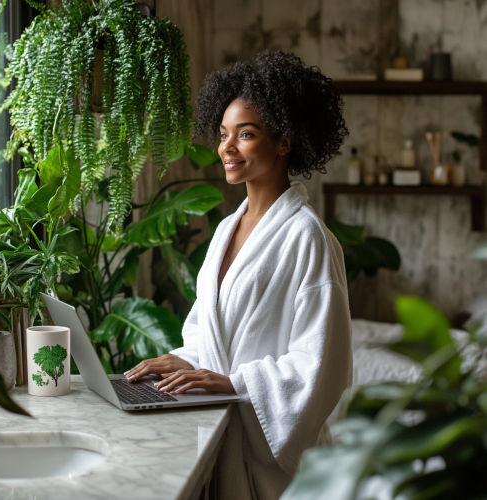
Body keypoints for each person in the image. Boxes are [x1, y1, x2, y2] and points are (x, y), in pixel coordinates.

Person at [124, 50, 352, 500]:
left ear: (284, 141)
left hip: (277, 466)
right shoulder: (229, 227)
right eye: (224, 134)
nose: (226, 148)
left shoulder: (309, 238)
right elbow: (208, 330)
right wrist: (186, 361)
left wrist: (236, 383)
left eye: (245, 135)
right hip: (220, 432)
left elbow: (322, 364)